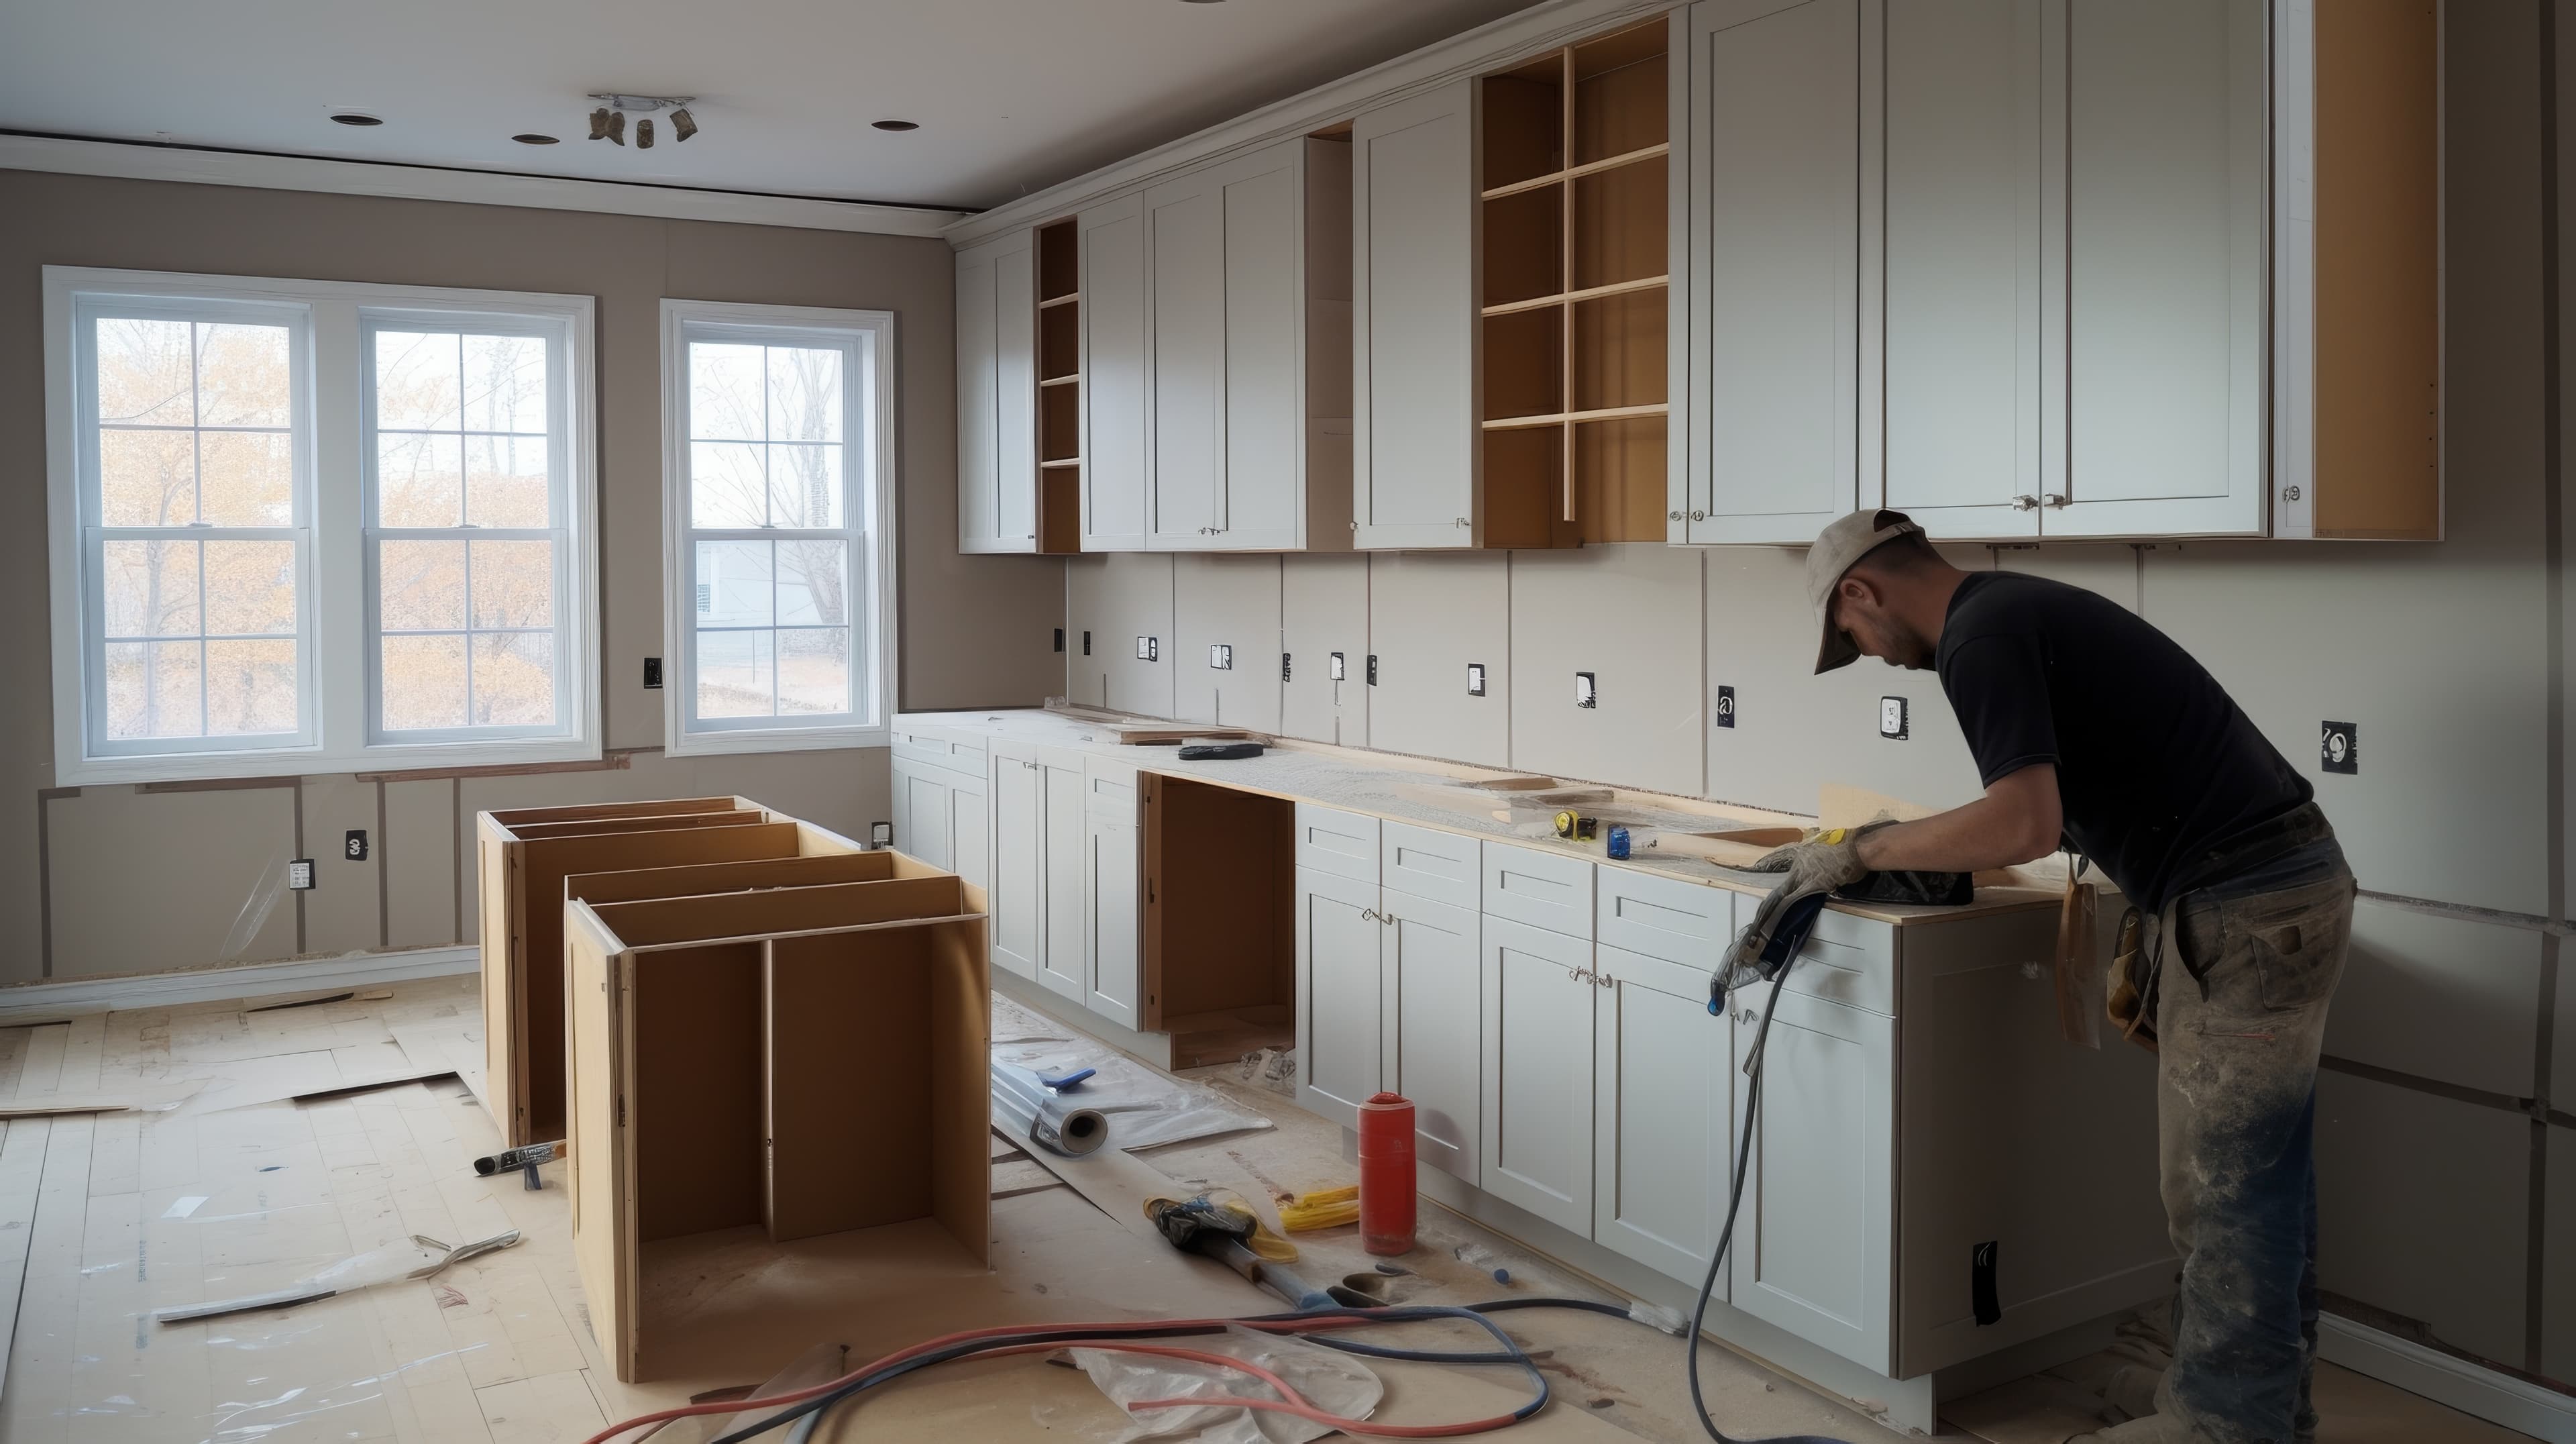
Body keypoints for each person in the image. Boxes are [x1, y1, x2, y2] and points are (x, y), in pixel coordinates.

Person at [1725, 509, 2353, 1444]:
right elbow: (2055, 815)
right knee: (2259, 1174)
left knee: (2223, 1183)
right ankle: (2252, 1403)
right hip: (2271, 893)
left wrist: (1861, 850)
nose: (1867, 652)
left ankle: (2224, 1423)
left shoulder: (1981, 639)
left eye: (1850, 633)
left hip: (2246, 907)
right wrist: (1897, 853)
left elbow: (2019, 823)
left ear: (1862, 590)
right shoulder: (2012, 612)